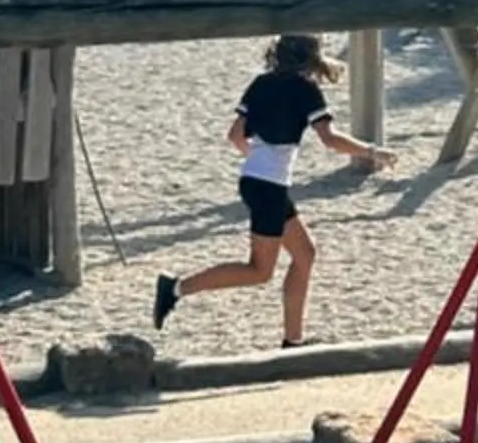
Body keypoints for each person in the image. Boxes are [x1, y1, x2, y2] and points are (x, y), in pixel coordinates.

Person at [152, 33, 393, 348]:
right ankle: (175, 289)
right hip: (268, 187)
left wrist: (258, 158)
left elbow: (235, 135)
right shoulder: (306, 89)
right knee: (259, 271)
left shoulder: (261, 83)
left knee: (305, 255)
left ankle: (293, 340)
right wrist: (373, 151)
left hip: (257, 180)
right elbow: (330, 139)